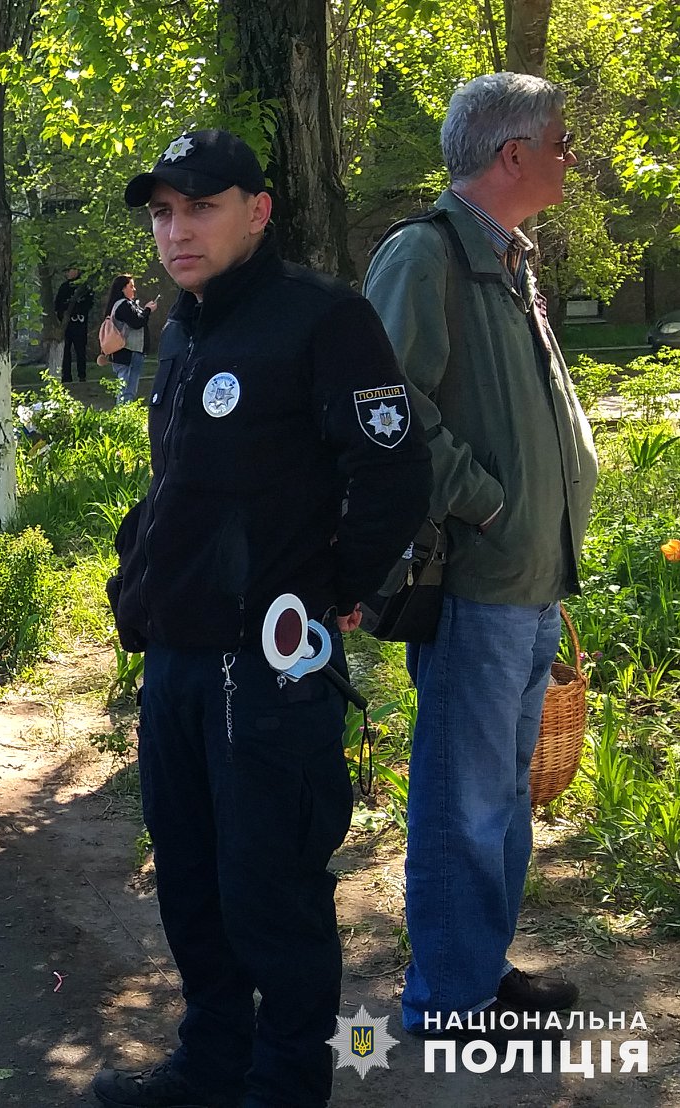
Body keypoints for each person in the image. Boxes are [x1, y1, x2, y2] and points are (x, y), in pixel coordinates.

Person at [99, 129, 430, 1108]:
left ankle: (286, 1083)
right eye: (162, 210)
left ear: (259, 209)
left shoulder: (322, 319)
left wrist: (331, 593)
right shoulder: (183, 326)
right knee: (192, 882)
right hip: (180, 661)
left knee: (271, 889)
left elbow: (394, 469)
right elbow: (185, 484)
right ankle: (212, 1062)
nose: (175, 228)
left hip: (275, 669)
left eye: (199, 205)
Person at [362, 72, 597, 1043]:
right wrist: (490, 502)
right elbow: (384, 407)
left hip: (530, 583)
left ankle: (476, 972)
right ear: (512, 156)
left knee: (500, 798)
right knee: (463, 803)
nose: (568, 157)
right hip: (477, 582)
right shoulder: (427, 257)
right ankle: (447, 1000)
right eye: (558, 141)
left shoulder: (509, 258)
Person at [103, 275, 159, 403]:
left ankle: (124, 416)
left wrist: (145, 310)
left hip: (127, 352)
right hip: (128, 352)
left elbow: (138, 318)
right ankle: (123, 418)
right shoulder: (123, 305)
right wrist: (148, 310)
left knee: (127, 389)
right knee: (127, 391)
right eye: (131, 286)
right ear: (123, 289)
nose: (134, 289)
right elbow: (137, 322)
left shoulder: (122, 305)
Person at [54, 268, 93, 382]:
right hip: (67, 325)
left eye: (71, 270)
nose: (68, 273)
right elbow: (58, 305)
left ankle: (82, 375)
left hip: (80, 323)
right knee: (66, 351)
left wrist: (78, 309)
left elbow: (88, 304)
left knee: (80, 350)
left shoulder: (84, 288)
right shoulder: (64, 287)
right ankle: (66, 376)